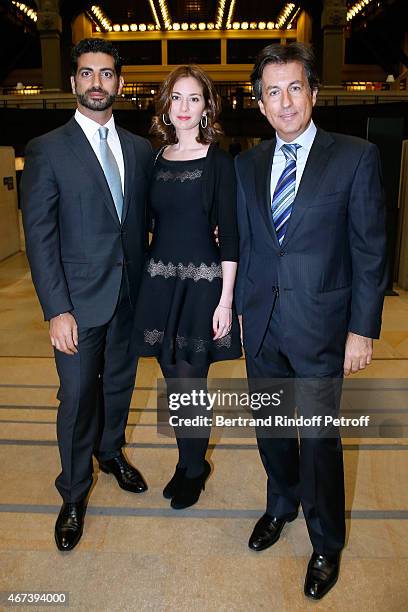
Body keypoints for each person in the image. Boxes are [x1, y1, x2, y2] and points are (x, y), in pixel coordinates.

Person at [235, 43, 387, 600]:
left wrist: (362, 329)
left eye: (294, 87)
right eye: (272, 92)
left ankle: (326, 541)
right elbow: (251, 245)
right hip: (265, 326)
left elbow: (370, 250)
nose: (285, 101)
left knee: (320, 441)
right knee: (272, 429)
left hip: (324, 327)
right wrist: (247, 313)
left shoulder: (354, 157)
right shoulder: (246, 163)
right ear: (260, 104)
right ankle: (280, 504)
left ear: (314, 93)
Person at [21, 38, 152, 552]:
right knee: (76, 398)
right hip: (76, 303)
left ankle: (111, 451)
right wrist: (56, 309)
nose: (96, 82)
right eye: (86, 73)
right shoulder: (48, 149)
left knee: (119, 386)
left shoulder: (141, 150)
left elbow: (147, 221)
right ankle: (73, 493)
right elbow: (40, 237)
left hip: (128, 297)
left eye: (105, 73)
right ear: (74, 81)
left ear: (119, 82)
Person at [132, 65, 242, 509]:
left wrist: (226, 301)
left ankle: (194, 468)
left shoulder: (220, 162)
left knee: (190, 381)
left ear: (206, 107)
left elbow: (230, 235)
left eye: (193, 98)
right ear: (166, 105)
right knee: (173, 384)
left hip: (202, 287)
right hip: (160, 284)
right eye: (176, 98)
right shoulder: (156, 159)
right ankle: (187, 460)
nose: (183, 107)